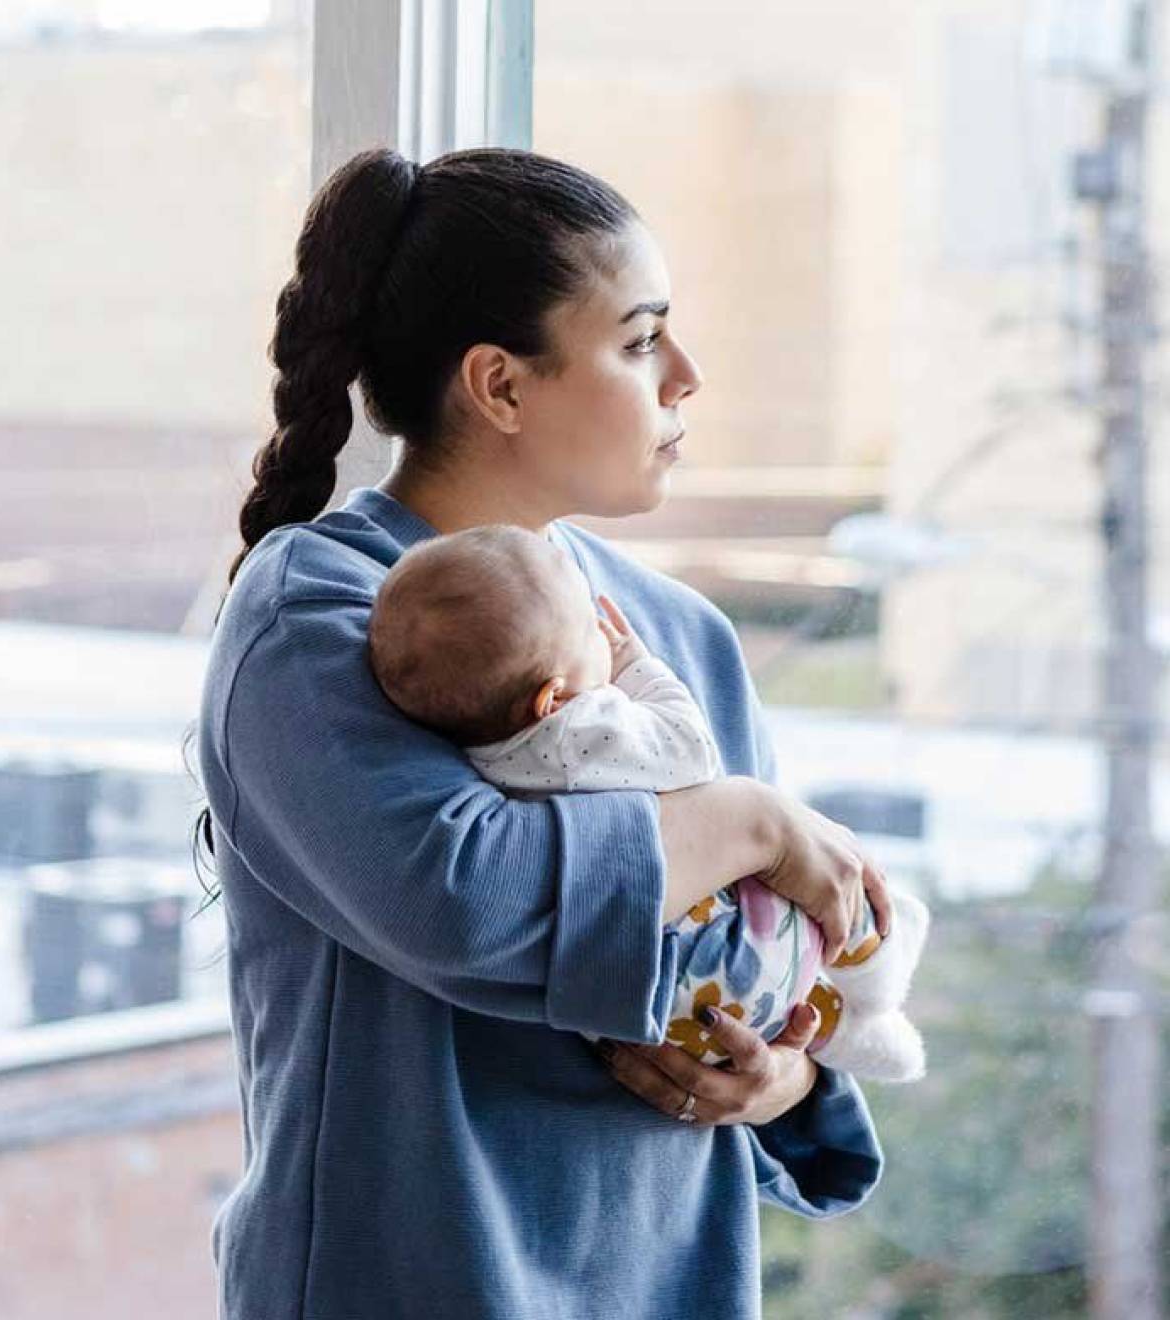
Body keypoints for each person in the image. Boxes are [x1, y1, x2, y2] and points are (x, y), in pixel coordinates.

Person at [193, 146, 888, 1320]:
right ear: (501, 386)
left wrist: (780, 1080)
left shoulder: (681, 634)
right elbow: (464, 896)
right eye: (639, 340)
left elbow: (764, 941)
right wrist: (746, 819)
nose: (687, 377)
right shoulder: (317, 618)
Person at [366, 523, 929, 1084]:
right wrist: (637, 668)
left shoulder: (477, 751)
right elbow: (691, 752)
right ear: (552, 697)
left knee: (793, 971)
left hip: (665, 1009)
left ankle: (846, 1033)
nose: (604, 638)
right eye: (590, 630)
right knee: (839, 888)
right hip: (731, 954)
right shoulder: (577, 733)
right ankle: (877, 985)